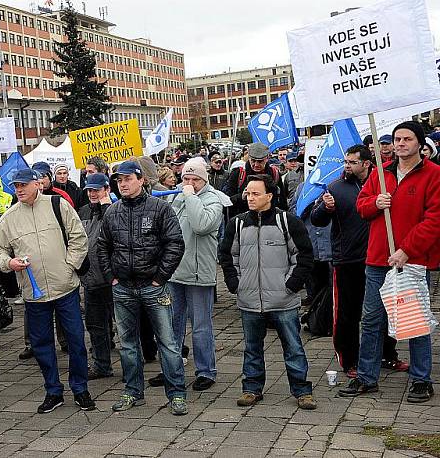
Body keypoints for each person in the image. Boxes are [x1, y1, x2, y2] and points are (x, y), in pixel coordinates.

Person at [340, 121, 440, 403]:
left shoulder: (434, 175)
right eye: (397, 139)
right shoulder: (381, 174)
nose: (400, 144)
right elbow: (361, 205)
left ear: (420, 144)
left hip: (413, 261)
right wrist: (375, 204)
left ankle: (421, 379)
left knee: (415, 321)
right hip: (377, 260)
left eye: (407, 139)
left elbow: (434, 220)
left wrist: (407, 250)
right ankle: (367, 377)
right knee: (372, 319)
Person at [0, 168, 95, 414]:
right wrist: (9, 263)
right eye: (16, 185)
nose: (19, 189)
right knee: (41, 344)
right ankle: (53, 390)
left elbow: (79, 237)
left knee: (76, 340)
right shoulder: (9, 218)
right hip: (34, 294)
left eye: (24, 184)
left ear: (37, 184)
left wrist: (70, 266)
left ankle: (80, 389)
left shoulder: (58, 205)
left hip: (65, 287)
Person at [96, 161, 189, 415]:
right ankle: (132, 392)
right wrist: (111, 277)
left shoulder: (159, 209)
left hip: (154, 287)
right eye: (119, 180)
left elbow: (175, 244)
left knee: (168, 343)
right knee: (127, 344)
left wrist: (160, 277)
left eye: (127, 179)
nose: (122, 184)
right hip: (123, 288)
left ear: (141, 180)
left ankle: (177, 394)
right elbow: (102, 246)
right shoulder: (112, 212)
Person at [219, 174, 317, 410]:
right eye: (248, 193)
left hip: (283, 300)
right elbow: (227, 255)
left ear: (269, 196)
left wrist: (291, 285)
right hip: (249, 300)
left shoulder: (288, 221)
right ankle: (251, 388)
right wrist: (236, 283)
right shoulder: (238, 223)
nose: (250, 198)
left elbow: (303, 256)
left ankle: (302, 390)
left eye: (255, 193)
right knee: (252, 348)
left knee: (293, 347)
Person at [311, 145, 405, 377]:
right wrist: (325, 207)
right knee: (347, 313)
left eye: (352, 162)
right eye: (345, 162)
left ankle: (386, 354)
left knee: (385, 310)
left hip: (380, 257)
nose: (347, 166)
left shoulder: (383, 182)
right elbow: (317, 220)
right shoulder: (335, 187)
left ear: (366, 163)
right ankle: (349, 359)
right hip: (347, 259)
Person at [169, 159, 223, 391]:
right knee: (172, 325)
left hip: (199, 274)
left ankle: (206, 371)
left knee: (201, 326)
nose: (189, 183)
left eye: (195, 179)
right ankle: (171, 369)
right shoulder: (176, 198)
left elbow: (201, 224)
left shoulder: (214, 200)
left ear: (204, 180)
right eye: (186, 179)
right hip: (175, 272)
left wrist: (190, 197)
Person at [77, 173, 115, 379]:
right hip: (91, 278)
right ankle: (101, 365)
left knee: (125, 326)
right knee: (95, 325)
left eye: (96, 190)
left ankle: (131, 367)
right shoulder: (82, 211)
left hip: (113, 278)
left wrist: (106, 206)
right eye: (89, 190)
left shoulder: (114, 209)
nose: (92, 194)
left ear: (106, 190)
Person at [223, 142, 286, 218]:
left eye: (260, 161)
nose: (256, 165)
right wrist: (241, 197)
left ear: (267, 158)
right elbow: (227, 201)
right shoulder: (238, 173)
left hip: (269, 220)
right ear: (248, 158)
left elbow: (282, 200)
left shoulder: (274, 173)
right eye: (253, 161)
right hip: (244, 221)